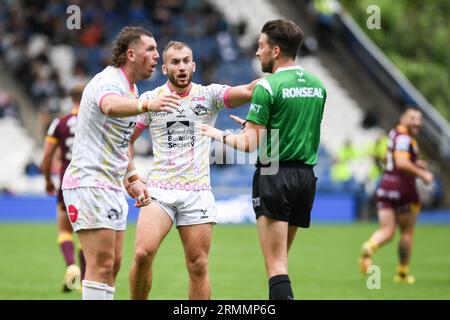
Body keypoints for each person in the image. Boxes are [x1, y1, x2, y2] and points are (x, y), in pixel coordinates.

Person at [199, 19, 326, 300]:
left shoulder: (267, 87)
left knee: (276, 267)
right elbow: (294, 127)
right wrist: (260, 125)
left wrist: (216, 133)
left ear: (276, 50)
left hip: (274, 172)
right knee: (282, 262)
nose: (257, 53)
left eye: (261, 46)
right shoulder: (319, 86)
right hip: (306, 176)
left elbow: (248, 144)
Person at [126, 41, 258, 300]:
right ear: (164, 68)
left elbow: (249, 90)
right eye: (175, 62)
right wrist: (130, 176)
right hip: (160, 191)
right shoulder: (151, 100)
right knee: (142, 255)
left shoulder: (209, 95)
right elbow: (125, 142)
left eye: (186, 61)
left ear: (194, 65)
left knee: (198, 266)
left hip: (197, 191)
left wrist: (275, 81)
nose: (182, 66)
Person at [61, 26, 180, 300]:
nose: (156, 56)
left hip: (110, 185)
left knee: (112, 265)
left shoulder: (132, 89)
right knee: (100, 265)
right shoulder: (109, 81)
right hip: (89, 183)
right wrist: (146, 106)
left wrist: (132, 176)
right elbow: (110, 106)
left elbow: (121, 141)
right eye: (150, 49)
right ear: (131, 54)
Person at [359, 108, 434, 284]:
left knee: (387, 230)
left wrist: (415, 163)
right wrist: (423, 174)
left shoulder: (393, 134)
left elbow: (388, 159)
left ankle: (370, 246)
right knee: (407, 233)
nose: (417, 122)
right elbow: (400, 162)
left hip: (385, 185)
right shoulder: (404, 138)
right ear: (403, 118)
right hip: (404, 188)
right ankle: (402, 273)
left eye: (419, 118)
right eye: (412, 118)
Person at [40, 83, 86, 292]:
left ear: (70, 98)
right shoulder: (93, 121)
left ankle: (71, 266)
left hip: (67, 182)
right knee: (87, 232)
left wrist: (48, 179)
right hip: (90, 182)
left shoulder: (60, 123)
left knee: (64, 230)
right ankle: (86, 280)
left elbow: (48, 155)